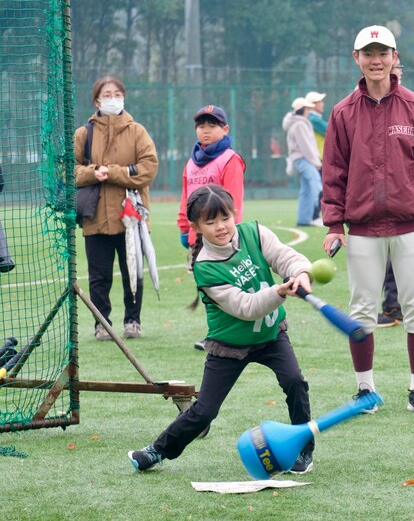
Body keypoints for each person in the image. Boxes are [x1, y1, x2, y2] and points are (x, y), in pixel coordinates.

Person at [128, 184, 315, 474]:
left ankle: (303, 450)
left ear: (234, 213)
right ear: (197, 226)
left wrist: (300, 272)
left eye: (225, 218)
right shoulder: (205, 267)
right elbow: (245, 307)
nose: (221, 226)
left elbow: (286, 257)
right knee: (204, 411)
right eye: (210, 222)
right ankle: (157, 451)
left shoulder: (254, 233)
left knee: (294, 382)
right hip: (228, 345)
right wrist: (279, 291)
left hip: (270, 335)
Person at [321, 25, 414, 413]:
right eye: (368, 54)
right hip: (361, 229)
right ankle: (365, 391)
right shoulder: (342, 112)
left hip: (411, 225)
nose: (376, 61)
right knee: (361, 310)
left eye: (383, 53)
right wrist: (334, 224)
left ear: (395, 58)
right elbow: (334, 171)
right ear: (356, 59)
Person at [74, 76, 158, 341]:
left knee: (133, 269)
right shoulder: (83, 133)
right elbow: (68, 172)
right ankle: (102, 324)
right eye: (106, 94)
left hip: (131, 218)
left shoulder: (137, 131)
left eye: (117, 93)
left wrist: (113, 172)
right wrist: (92, 172)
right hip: (95, 216)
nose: (112, 99)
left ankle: (133, 320)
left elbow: (148, 169)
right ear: (96, 100)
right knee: (99, 276)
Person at [177, 104, 246, 351]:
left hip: (223, 236)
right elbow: (186, 197)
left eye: (212, 125)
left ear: (225, 129)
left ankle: (231, 333)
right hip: (200, 236)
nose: (206, 130)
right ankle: (216, 334)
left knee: (228, 284)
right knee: (209, 288)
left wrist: (230, 233)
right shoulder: (191, 162)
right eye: (201, 125)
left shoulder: (230, 159)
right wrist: (185, 228)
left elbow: (233, 202)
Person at [377, 53, 405, 328]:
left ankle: (394, 307)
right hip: (372, 203)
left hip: (399, 201)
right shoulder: (359, 106)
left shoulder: (409, 105)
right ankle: (394, 306)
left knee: (394, 259)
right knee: (387, 259)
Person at [283, 97, 323, 227]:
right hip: (304, 160)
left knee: (306, 189)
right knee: (316, 186)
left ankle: (304, 220)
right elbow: (306, 146)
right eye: (307, 108)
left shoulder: (297, 123)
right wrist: (316, 162)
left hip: (301, 159)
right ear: (304, 110)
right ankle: (316, 216)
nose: (309, 111)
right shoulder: (300, 124)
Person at [306, 91, 328, 223]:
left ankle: (314, 216)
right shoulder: (313, 119)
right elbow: (330, 129)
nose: (322, 104)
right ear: (313, 105)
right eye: (319, 102)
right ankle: (314, 216)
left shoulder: (314, 118)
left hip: (318, 158)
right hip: (318, 158)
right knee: (319, 189)